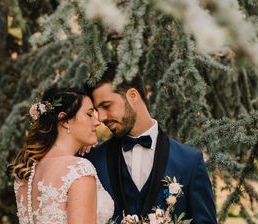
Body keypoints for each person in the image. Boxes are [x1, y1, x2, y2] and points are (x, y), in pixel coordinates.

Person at [85, 67, 218, 223]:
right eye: (96, 110)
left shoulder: (189, 161)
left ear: (132, 96)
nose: (101, 117)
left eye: (106, 106)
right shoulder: (93, 161)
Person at [9, 87, 114, 224]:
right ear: (64, 121)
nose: (97, 122)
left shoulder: (28, 171)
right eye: (89, 115)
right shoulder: (78, 169)